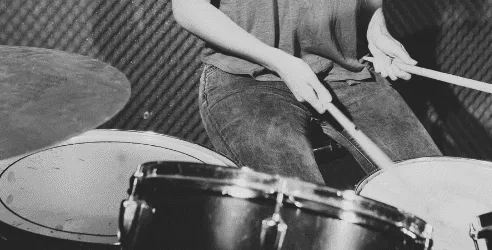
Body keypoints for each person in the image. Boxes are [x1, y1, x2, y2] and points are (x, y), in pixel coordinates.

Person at [172, 0, 441, 184]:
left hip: (344, 73)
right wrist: (276, 59)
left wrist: (377, 32)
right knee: (301, 214)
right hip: (248, 75)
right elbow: (188, 7)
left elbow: (369, 4)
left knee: (439, 194)